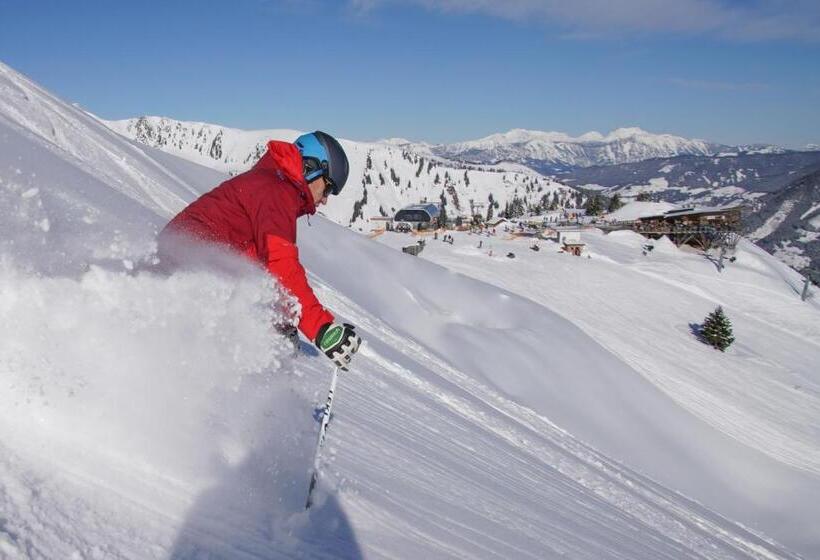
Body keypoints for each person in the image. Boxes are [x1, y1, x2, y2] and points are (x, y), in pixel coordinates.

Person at [157, 131, 361, 369]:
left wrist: (282, 317)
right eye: (328, 188)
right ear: (311, 168)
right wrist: (322, 329)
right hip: (183, 276)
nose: (325, 199)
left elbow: (254, 263)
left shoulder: (270, 184)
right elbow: (281, 265)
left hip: (179, 275)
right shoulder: (276, 191)